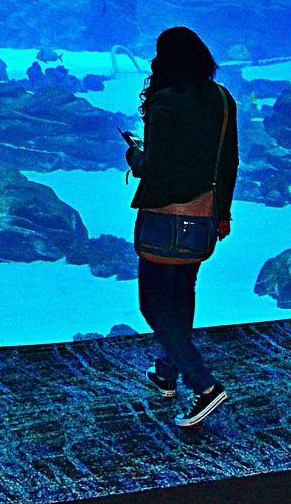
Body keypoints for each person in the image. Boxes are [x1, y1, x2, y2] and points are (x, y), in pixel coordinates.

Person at [124, 26, 239, 428]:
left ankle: (204, 385)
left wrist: (134, 156)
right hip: (204, 216)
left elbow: (156, 169)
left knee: (154, 304)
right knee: (182, 294)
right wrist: (221, 214)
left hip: (164, 219)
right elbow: (228, 163)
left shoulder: (166, 101)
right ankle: (167, 372)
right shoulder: (223, 99)